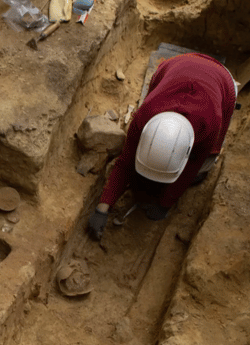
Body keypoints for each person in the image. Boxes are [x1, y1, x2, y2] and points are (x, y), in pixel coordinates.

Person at [87, 52, 237, 239]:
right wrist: (103, 208)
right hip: (176, 65)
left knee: (201, 171)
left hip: (221, 79)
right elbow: (126, 161)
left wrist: (165, 204)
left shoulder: (211, 123)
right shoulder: (145, 115)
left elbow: (191, 168)